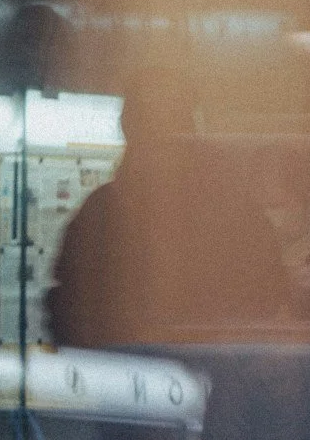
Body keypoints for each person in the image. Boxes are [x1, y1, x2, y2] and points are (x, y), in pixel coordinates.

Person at [45, 67, 287, 349]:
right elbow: (265, 297)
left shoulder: (101, 213)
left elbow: (68, 310)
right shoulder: (233, 208)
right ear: (189, 124)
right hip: (215, 375)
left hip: (132, 376)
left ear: (127, 127)